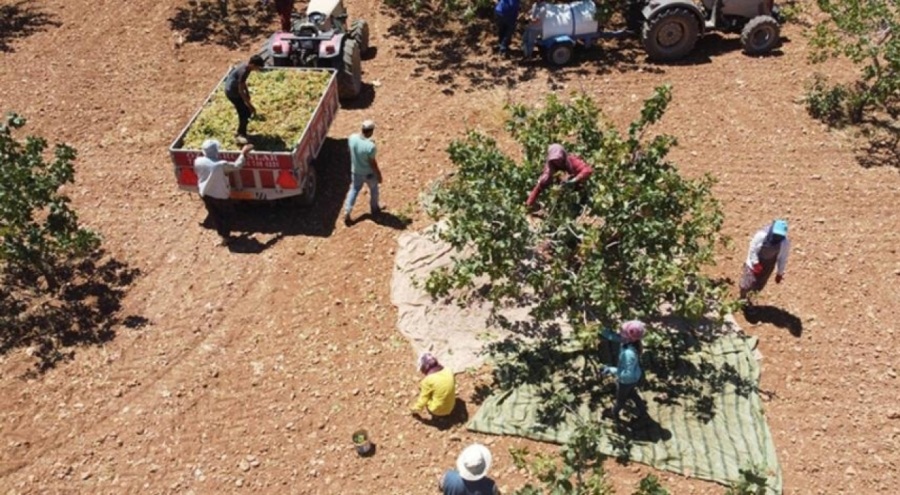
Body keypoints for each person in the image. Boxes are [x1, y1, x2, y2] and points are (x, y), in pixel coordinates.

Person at [194, 139, 254, 246]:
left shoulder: (198, 161)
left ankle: (223, 236)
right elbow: (236, 166)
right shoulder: (220, 165)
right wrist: (243, 153)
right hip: (219, 196)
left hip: (206, 194)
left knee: (215, 215)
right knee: (226, 215)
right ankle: (227, 236)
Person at [600, 320, 648, 422]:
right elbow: (614, 337)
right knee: (632, 393)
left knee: (621, 400)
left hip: (627, 380)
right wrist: (602, 330)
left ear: (628, 335)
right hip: (635, 376)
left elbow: (627, 374)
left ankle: (614, 413)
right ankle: (643, 411)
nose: (619, 331)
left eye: (621, 330)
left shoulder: (628, 353)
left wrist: (611, 370)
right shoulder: (631, 342)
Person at [525, 143, 593, 209]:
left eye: (559, 160)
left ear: (563, 156)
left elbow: (587, 170)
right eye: (554, 161)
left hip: (577, 191)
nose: (557, 163)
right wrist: (530, 202)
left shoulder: (572, 161)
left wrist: (575, 180)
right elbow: (540, 185)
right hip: (563, 198)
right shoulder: (550, 170)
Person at [739, 219, 790, 302]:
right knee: (746, 284)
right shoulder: (762, 235)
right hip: (754, 262)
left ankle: (748, 301)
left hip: (768, 265)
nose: (777, 237)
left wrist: (779, 273)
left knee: (758, 285)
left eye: (780, 236)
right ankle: (741, 299)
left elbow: (783, 258)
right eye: (776, 234)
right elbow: (753, 249)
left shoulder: (784, 243)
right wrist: (755, 263)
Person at [343, 119, 383, 226]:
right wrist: (379, 175)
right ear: (370, 131)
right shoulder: (370, 147)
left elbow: (351, 150)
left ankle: (347, 210)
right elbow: (373, 163)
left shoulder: (352, 138)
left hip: (355, 171)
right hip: (368, 174)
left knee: (354, 190)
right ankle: (374, 209)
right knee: (374, 190)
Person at [223, 54, 265, 144]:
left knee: (245, 112)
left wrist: (248, 93)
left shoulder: (247, 67)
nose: (258, 70)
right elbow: (240, 91)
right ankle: (240, 134)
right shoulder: (244, 71)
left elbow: (242, 83)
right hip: (232, 93)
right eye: (257, 67)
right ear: (253, 65)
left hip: (235, 90)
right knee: (245, 112)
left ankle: (242, 132)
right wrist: (250, 105)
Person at [410, 352, 456, 421]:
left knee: (427, 393)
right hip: (451, 406)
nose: (422, 372)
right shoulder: (448, 370)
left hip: (437, 411)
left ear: (425, 367)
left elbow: (423, 400)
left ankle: (437, 416)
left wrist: (414, 409)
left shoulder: (428, 380)